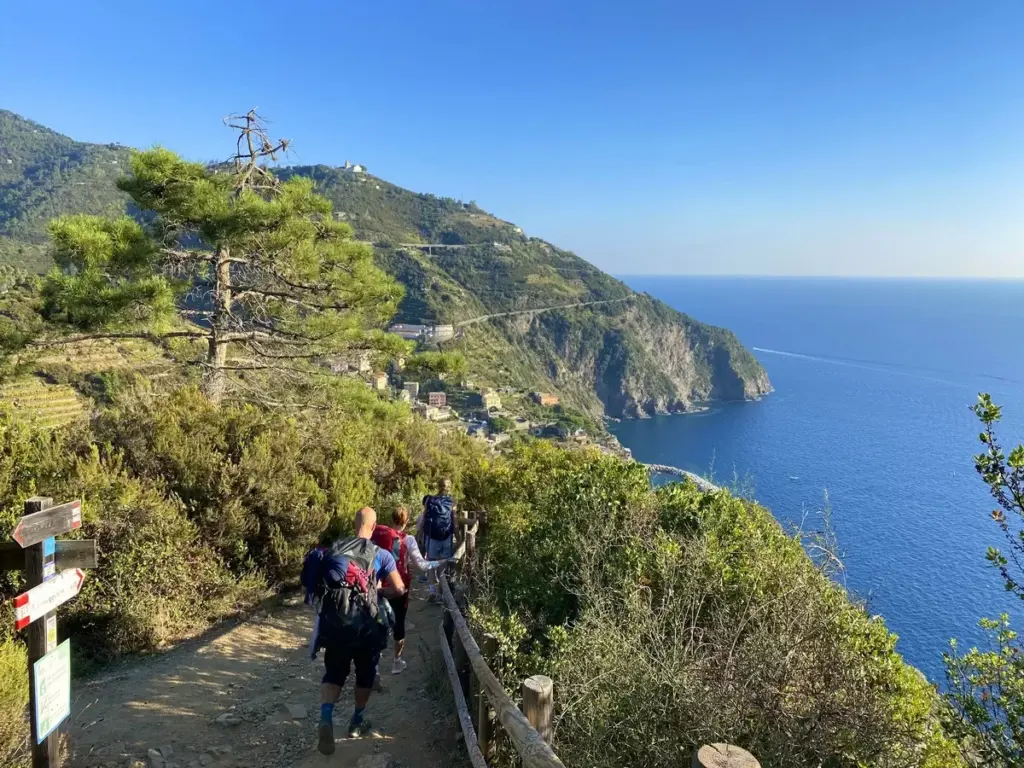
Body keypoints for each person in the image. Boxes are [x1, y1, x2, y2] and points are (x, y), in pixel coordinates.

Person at [304, 507, 405, 755]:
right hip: (366, 627)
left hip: (335, 623)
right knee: (365, 675)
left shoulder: (335, 549)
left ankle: (326, 717)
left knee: (334, 673)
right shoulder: (381, 554)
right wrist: (379, 593)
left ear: (353, 524)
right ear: (373, 527)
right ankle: (357, 721)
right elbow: (399, 588)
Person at [372, 505, 447, 674]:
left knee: (378, 622)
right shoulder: (408, 539)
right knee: (399, 622)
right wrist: (441, 562)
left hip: (379, 585)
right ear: (406, 521)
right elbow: (421, 565)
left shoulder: (379, 536)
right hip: (400, 586)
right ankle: (396, 662)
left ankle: (374, 665)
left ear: (392, 519)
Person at [418, 478, 457, 602]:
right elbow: (454, 521)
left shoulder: (429, 499)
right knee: (443, 566)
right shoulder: (452, 501)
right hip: (446, 536)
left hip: (432, 536)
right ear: (449, 487)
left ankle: (432, 591)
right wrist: (459, 537)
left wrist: (419, 533)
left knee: (430, 563)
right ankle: (440, 594)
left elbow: (424, 518)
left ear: (438, 486)